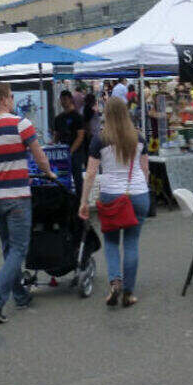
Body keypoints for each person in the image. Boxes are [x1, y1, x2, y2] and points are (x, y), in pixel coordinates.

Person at [0, 82, 57, 323]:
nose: (13, 99)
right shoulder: (20, 124)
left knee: (8, 249)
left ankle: (20, 295)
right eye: (11, 95)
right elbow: (39, 156)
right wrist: (49, 173)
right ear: (3, 99)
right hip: (17, 197)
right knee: (18, 249)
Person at [79, 97, 149, 307]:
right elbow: (145, 170)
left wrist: (84, 201)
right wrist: (141, 190)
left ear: (106, 115)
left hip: (111, 195)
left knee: (111, 242)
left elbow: (91, 174)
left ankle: (115, 282)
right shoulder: (139, 138)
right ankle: (129, 292)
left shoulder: (99, 139)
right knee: (131, 242)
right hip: (137, 193)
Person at [53, 90, 87, 200]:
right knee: (61, 178)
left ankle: (80, 201)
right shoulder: (58, 118)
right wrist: (52, 145)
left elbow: (80, 136)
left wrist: (71, 151)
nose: (63, 102)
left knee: (77, 179)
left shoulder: (77, 117)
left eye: (65, 99)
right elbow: (56, 136)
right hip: (62, 154)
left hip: (76, 153)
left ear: (70, 99)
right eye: (61, 100)